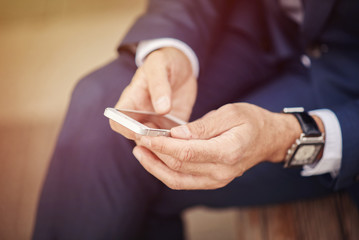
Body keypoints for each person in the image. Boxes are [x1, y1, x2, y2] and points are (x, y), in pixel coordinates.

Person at [32, 0, 359, 239]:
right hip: (258, 24)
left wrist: (289, 137)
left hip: (348, 92)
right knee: (97, 103)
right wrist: (171, 47)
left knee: (152, 173)